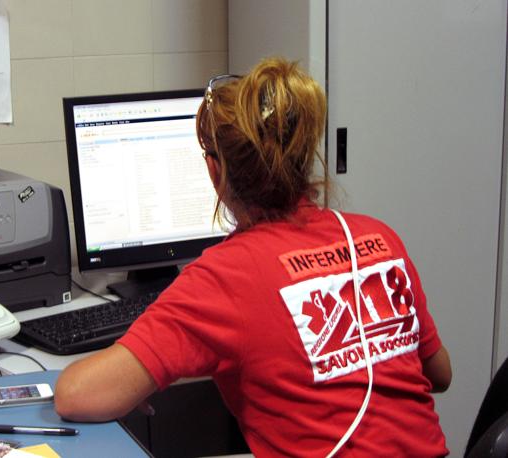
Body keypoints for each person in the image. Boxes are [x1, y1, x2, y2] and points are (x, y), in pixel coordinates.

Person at [54, 57, 452, 457]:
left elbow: (76, 395)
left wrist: (132, 381)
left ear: (215, 171)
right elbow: (439, 374)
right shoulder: (378, 238)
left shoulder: (223, 276)